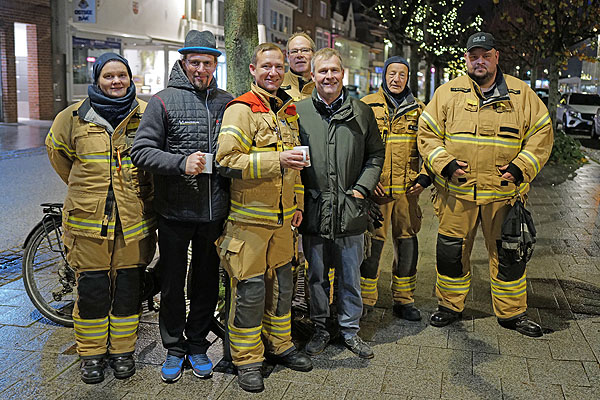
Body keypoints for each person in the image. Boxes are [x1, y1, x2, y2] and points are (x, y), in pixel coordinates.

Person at [417, 32, 553, 337]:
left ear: (496, 57)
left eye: (485, 55)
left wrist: (521, 168)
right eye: (473, 56)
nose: (479, 61)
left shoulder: (521, 94)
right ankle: (450, 306)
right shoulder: (448, 93)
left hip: (503, 196)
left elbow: (542, 132)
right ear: (466, 59)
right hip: (457, 194)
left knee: (508, 254)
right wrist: (445, 164)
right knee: (451, 253)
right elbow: (426, 133)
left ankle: (512, 313)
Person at [46, 53, 156, 384]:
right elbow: (58, 154)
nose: (116, 81)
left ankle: (122, 351)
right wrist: (86, 190)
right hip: (87, 223)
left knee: (126, 288)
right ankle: (91, 355)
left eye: (121, 75)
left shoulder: (145, 115)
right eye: (108, 76)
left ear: (130, 78)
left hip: (132, 220)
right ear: (97, 80)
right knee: (92, 290)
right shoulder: (72, 117)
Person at [130, 30, 233, 382]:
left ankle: (198, 344)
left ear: (215, 65)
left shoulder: (226, 102)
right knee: (173, 283)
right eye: (195, 62)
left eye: (208, 62)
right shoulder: (162, 102)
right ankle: (174, 347)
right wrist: (180, 162)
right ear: (184, 62)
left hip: (214, 212)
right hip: (174, 212)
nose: (201, 68)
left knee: (205, 281)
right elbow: (140, 151)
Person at [215, 42, 313, 393]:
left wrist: (298, 202)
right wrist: (277, 161)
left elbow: (297, 167)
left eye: (279, 67)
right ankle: (247, 359)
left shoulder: (287, 110)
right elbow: (226, 161)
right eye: (266, 66)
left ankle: (280, 344)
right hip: (249, 223)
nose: (273, 72)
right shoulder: (240, 109)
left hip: (284, 221)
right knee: (251, 292)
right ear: (253, 70)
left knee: (282, 288)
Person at [296, 48, 385, 359]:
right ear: (312, 76)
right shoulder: (299, 113)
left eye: (334, 70)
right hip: (314, 209)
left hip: (351, 209)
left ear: (343, 73)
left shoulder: (362, 112)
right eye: (322, 71)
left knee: (350, 274)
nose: (329, 76)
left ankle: (349, 329)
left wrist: (362, 189)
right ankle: (320, 327)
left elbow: (375, 154)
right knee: (316, 275)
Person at [359, 56, 431, 321]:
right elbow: (356, 148)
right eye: (392, 73)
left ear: (408, 78)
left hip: (407, 194)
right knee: (372, 245)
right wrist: (366, 180)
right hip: (377, 194)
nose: (396, 79)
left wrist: (424, 178)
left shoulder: (420, 110)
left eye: (402, 74)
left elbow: (431, 147)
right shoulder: (367, 106)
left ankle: (404, 299)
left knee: (407, 244)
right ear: (384, 75)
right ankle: (366, 298)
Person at [282, 32, 316, 101]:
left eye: (305, 50)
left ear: (314, 54)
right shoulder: (277, 83)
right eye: (294, 51)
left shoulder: (323, 85)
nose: (299, 55)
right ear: (288, 57)